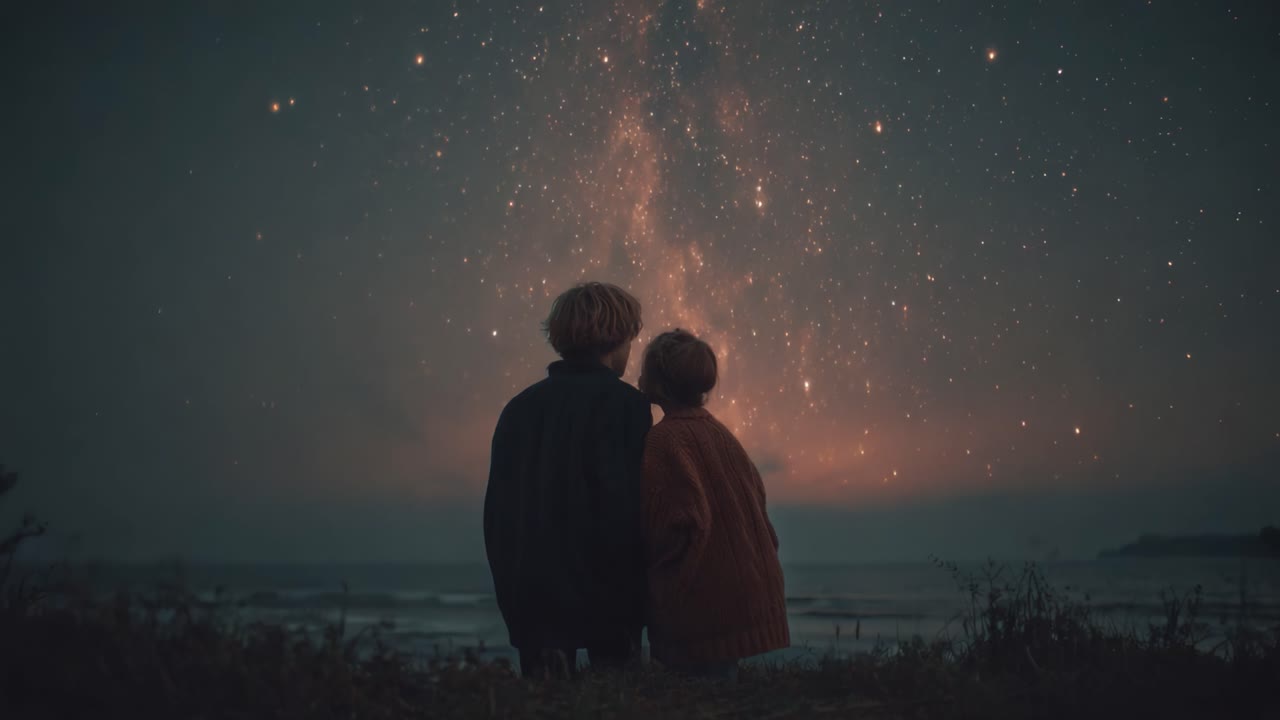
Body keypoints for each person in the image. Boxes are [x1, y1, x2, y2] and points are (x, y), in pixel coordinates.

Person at [483, 281, 652, 679]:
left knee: (545, 705)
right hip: (608, 592)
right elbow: (626, 504)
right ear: (617, 339)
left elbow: (498, 511)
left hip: (530, 592)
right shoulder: (626, 405)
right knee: (615, 699)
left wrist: (511, 582)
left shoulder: (519, 408)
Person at [638, 329, 789, 680]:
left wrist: (659, 586)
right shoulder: (723, 435)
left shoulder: (663, 441)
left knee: (695, 692)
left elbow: (668, 527)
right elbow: (757, 509)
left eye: (644, 369)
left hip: (704, 601)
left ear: (659, 381)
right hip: (744, 591)